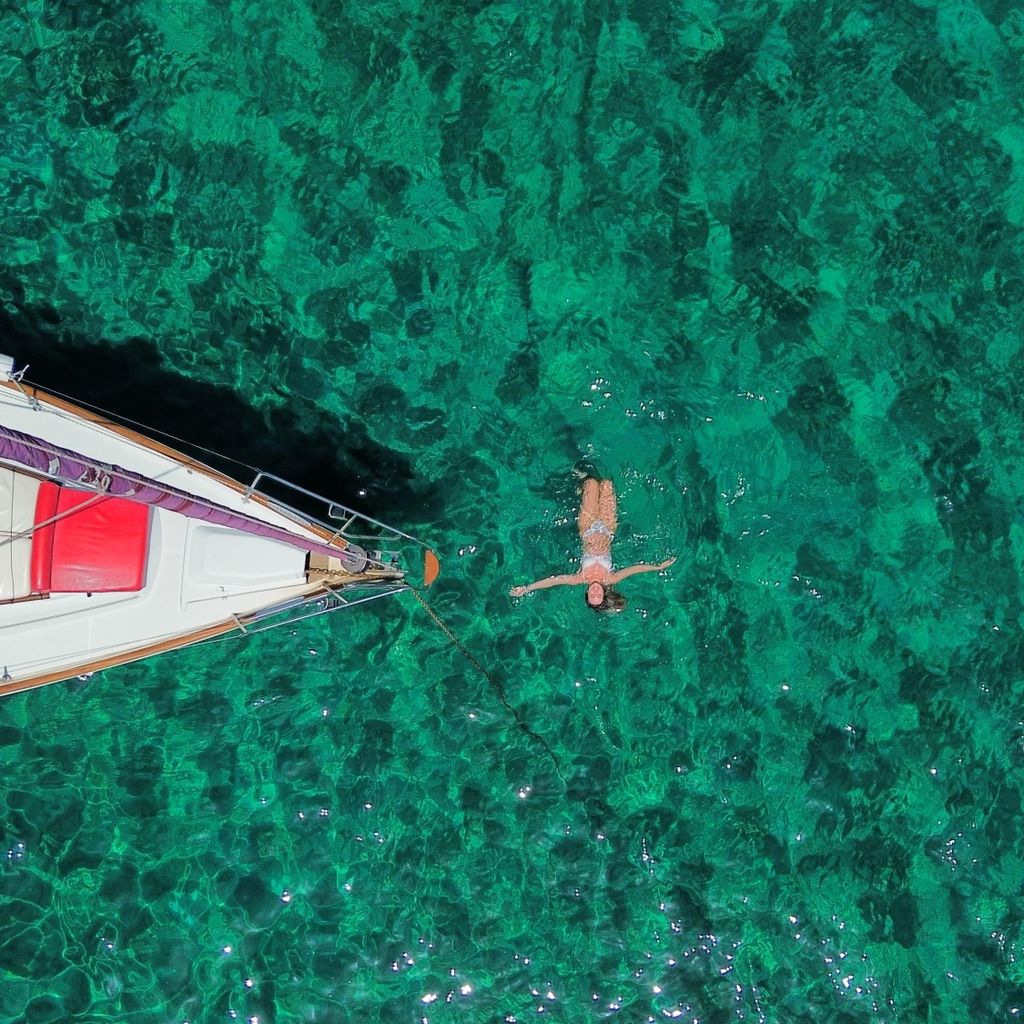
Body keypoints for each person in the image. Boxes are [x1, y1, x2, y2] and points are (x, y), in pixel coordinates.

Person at [509, 477, 675, 612]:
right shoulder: (610, 577)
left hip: (587, 527)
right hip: (608, 527)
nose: (595, 592)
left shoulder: (580, 578)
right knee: (607, 484)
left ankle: (580, 482)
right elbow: (634, 569)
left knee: (591, 483)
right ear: (604, 593)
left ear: (587, 593)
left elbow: (554, 580)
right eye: (598, 595)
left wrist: (527, 588)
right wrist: (657, 567)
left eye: (592, 595)